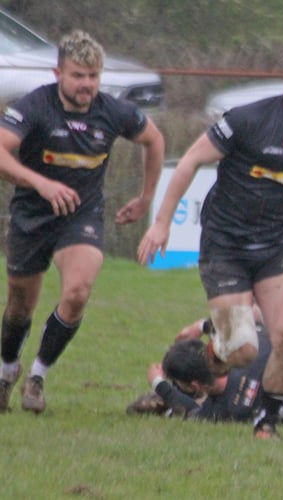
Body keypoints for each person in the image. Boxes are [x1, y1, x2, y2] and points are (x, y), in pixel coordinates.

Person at [137, 45, 283, 438]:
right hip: (225, 247)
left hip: (275, 249)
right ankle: (213, 352)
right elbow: (189, 162)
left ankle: (264, 423)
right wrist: (161, 223)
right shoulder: (249, 120)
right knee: (244, 350)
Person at [0, 30, 164, 414]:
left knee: (77, 293)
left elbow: (154, 140)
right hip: (32, 214)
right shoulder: (34, 106)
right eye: (78, 76)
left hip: (81, 216)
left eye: (93, 76)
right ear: (59, 73)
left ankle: (37, 376)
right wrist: (41, 183)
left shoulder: (113, 111)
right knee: (20, 305)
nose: (86, 84)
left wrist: (145, 197)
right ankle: (7, 370)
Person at [128, 319, 283, 425]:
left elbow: (190, 412)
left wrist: (159, 385)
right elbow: (242, 314)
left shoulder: (224, 412)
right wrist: (201, 326)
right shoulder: (252, 338)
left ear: (195, 386)